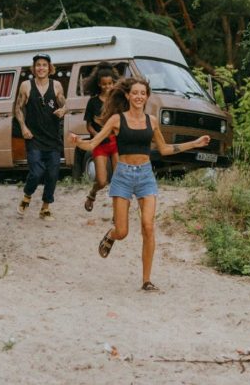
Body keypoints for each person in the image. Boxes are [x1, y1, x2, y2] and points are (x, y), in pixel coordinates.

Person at [69, 76, 210, 292]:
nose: (138, 97)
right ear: (127, 95)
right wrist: (78, 142)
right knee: (123, 231)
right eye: (135, 93)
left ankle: (146, 280)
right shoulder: (116, 120)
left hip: (145, 176)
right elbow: (93, 144)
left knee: (148, 226)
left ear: (147, 97)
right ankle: (111, 235)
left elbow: (164, 150)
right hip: (123, 176)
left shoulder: (152, 121)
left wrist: (195, 143)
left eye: (142, 93)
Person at [14, 53, 66, 220]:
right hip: (34, 138)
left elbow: (63, 103)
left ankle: (45, 207)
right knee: (36, 172)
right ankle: (27, 196)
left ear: (50, 68)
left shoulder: (56, 85)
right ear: (34, 68)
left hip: (53, 138)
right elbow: (18, 108)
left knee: (52, 173)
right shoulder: (26, 86)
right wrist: (23, 127)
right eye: (38, 65)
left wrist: (63, 109)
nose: (41, 67)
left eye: (44, 64)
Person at [81, 62, 119, 212]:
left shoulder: (117, 101)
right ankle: (92, 194)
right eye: (104, 84)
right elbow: (88, 125)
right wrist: (97, 136)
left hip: (115, 143)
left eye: (110, 83)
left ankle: (117, 212)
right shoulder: (93, 102)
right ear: (99, 84)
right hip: (100, 145)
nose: (108, 87)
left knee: (117, 180)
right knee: (102, 181)